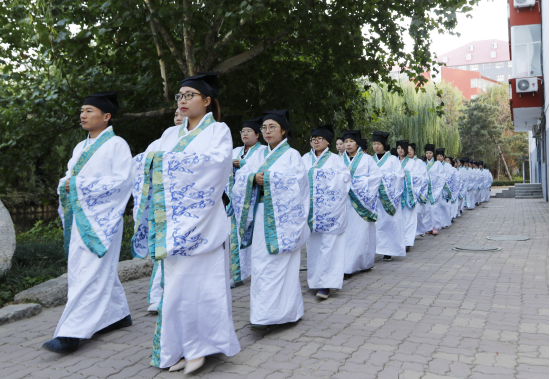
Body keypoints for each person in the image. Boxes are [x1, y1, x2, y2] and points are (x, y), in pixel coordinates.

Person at [131, 72, 240, 373]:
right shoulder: (169, 135)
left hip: (202, 224)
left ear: (206, 101)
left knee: (205, 288)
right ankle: (178, 349)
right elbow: (144, 160)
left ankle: (202, 347)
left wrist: (164, 163)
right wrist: (154, 163)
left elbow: (217, 164)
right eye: (180, 95)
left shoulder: (218, 130)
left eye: (189, 95)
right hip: (173, 225)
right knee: (176, 290)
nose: (183, 100)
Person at [43, 92, 133, 354]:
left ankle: (71, 333)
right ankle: (117, 315)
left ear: (106, 117)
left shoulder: (117, 145)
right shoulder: (80, 147)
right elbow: (69, 178)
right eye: (82, 110)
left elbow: (122, 182)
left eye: (89, 111)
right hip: (80, 218)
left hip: (102, 222)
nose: (83, 115)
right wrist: (69, 184)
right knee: (86, 270)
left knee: (90, 272)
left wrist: (79, 185)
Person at [232, 109, 310, 332]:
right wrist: (251, 179)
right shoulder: (256, 155)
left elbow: (298, 184)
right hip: (260, 215)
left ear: (283, 130)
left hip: (282, 220)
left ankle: (285, 313)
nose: (266, 132)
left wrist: (268, 178)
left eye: (272, 127)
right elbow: (241, 181)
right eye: (264, 128)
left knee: (281, 265)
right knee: (261, 264)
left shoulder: (292, 155)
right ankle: (263, 314)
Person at [301, 125, 351, 299]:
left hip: (331, 211)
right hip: (311, 211)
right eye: (313, 139)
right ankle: (315, 281)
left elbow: (344, 180)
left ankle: (327, 284)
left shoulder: (336, 160)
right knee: (313, 247)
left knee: (329, 246)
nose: (315, 141)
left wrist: (320, 177)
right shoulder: (304, 159)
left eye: (319, 138)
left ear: (327, 141)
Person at [146, 108, 187, 313]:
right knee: (162, 250)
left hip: (186, 205)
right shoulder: (164, 137)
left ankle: (178, 297)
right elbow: (145, 162)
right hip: (162, 204)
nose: (178, 117)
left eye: (182, 114)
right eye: (176, 115)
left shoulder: (203, 137)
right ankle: (158, 294)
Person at [227, 117, 266, 288]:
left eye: (249, 131)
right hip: (234, 202)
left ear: (257, 135)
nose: (245, 134)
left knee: (255, 238)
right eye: (243, 131)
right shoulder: (234, 150)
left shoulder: (263, 151)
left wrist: (241, 164)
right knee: (235, 238)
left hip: (253, 202)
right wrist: (231, 164)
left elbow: (260, 170)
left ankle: (257, 272)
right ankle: (238, 274)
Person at [341, 130, 382, 277]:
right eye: (346, 142)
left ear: (357, 143)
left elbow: (376, 177)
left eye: (351, 141)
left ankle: (361, 263)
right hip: (344, 203)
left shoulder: (367, 159)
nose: (348, 144)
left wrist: (358, 183)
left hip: (362, 202)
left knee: (361, 233)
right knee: (347, 234)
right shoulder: (339, 160)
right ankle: (347, 265)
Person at [372, 131, 405, 261]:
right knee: (375, 225)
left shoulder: (392, 159)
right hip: (374, 198)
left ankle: (388, 250)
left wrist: (383, 179)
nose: (376, 146)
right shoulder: (370, 159)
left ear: (384, 145)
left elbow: (400, 176)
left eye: (378, 144)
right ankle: (374, 250)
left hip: (389, 198)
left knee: (389, 223)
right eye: (374, 144)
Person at [396, 140, 417, 251]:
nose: (400, 150)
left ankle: (408, 242)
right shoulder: (393, 161)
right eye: (398, 148)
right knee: (399, 219)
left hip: (409, 195)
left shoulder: (413, 162)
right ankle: (399, 241)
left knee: (408, 219)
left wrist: (407, 175)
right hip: (397, 195)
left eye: (402, 148)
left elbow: (419, 178)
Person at [407, 143, 430, 237]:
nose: (409, 152)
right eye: (407, 150)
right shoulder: (405, 161)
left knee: (418, 212)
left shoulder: (420, 162)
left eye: (411, 150)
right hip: (408, 192)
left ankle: (420, 230)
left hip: (418, 191)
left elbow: (424, 177)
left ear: (415, 151)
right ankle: (411, 233)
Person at [424, 144, 445, 236]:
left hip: (434, 189)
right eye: (427, 153)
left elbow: (441, 176)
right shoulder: (422, 163)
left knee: (434, 208)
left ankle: (435, 226)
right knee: (426, 209)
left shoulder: (437, 164)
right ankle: (428, 227)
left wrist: (432, 179)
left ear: (433, 154)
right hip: (425, 190)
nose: (428, 155)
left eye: (430, 153)